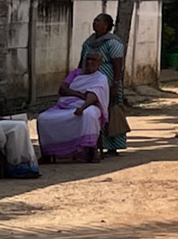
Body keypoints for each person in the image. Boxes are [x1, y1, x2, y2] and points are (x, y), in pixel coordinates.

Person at [37, 48, 111, 162]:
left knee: (88, 115)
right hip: (66, 104)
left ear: (99, 63)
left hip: (88, 105)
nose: (90, 62)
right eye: (88, 59)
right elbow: (63, 89)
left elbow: (93, 95)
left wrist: (82, 107)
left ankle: (92, 149)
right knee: (43, 118)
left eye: (94, 60)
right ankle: (48, 153)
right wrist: (79, 94)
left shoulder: (100, 78)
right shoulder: (75, 73)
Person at [80, 13, 129, 154]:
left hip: (107, 82)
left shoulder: (113, 42)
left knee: (111, 112)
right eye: (94, 20)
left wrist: (115, 84)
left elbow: (117, 65)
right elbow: (82, 61)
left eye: (98, 21)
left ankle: (113, 145)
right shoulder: (89, 42)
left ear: (106, 25)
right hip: (89, 81)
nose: (94, 23)